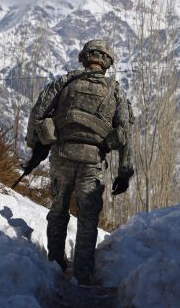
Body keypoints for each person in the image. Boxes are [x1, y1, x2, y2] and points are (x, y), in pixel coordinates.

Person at [25, 39, 134, 285]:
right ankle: (83, 273)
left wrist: (35, 149)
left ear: (84, 58)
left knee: (58, 209)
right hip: (92, 161)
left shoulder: (65, 82)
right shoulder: (115, 91)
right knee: (88, 217)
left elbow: (38, 112)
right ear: (106, 63)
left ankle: (55, 263)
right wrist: (125, 170)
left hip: (62, 155)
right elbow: (125, 131)